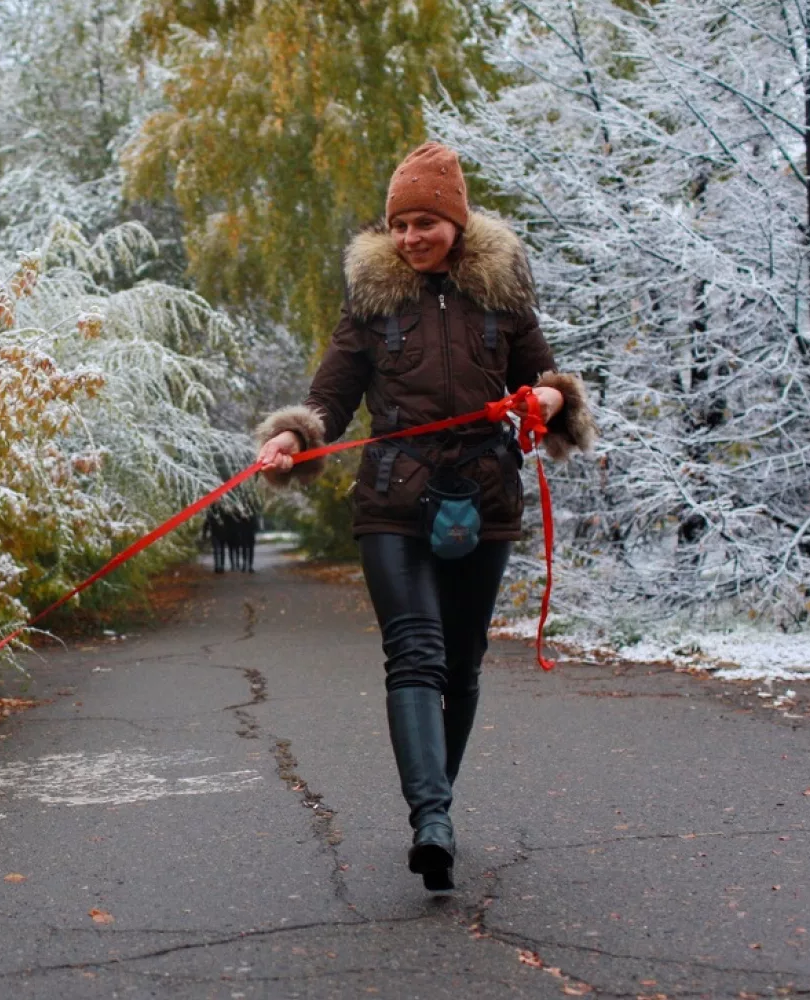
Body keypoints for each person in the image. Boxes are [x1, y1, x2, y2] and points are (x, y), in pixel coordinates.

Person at [253, 142, 595, 892]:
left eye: (425, 223)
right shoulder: (371, 300)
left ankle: (436, 804)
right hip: (393, 500)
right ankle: (431, 819)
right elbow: (331, 397)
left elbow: (546, 381)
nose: (411, 237)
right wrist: (293, 438)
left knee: (462, 663)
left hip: (486, 494)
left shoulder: (503, 294)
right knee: (414, 653)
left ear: (456, 222)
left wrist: (549, 398)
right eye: (400, 224)